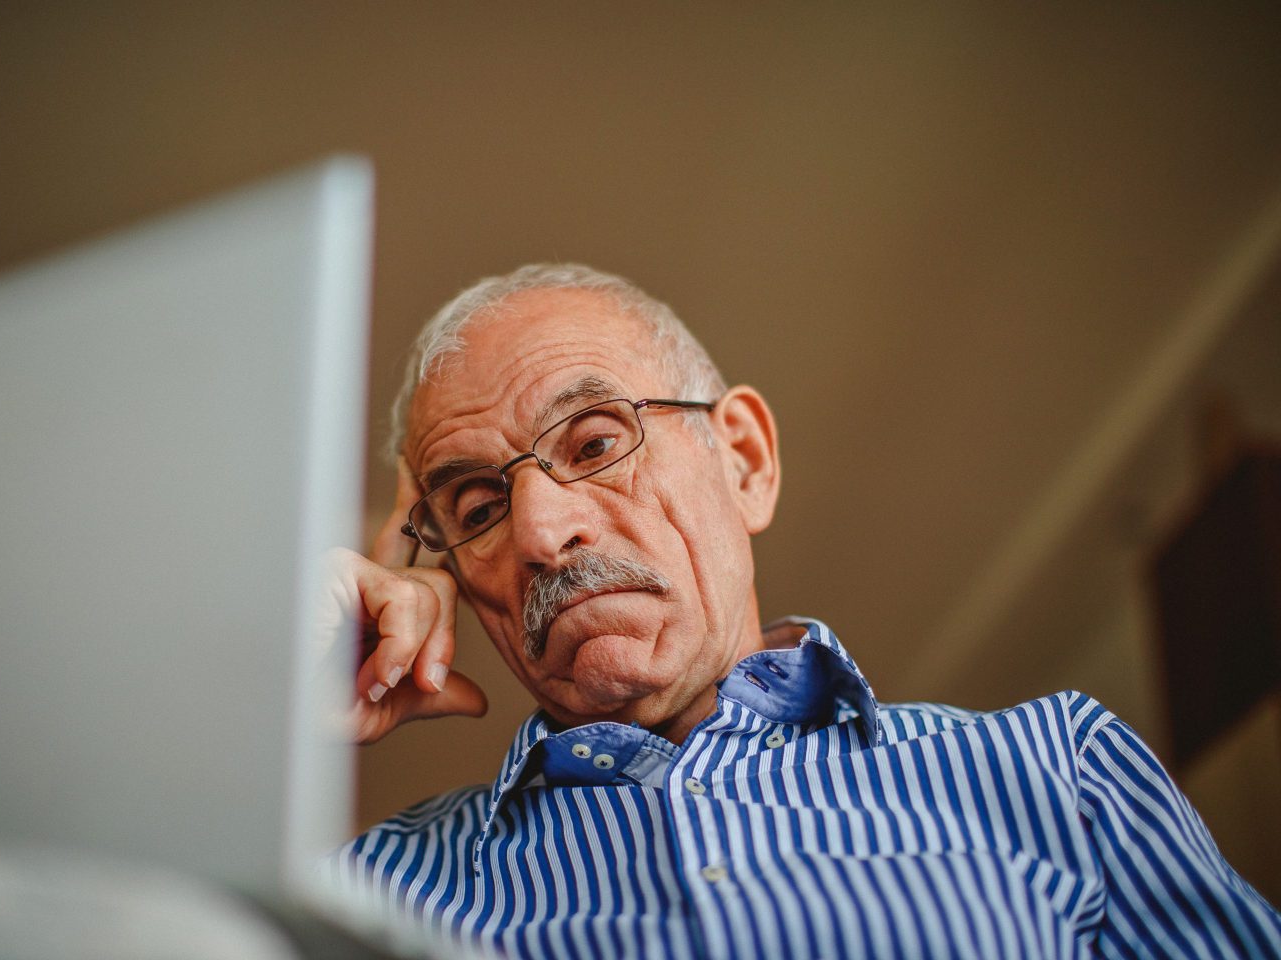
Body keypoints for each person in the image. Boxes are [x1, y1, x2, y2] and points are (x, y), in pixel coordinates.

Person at [328, 263, 1281, 958]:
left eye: (594, 442)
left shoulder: (1057, 771)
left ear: (743, 460)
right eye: (478, 509)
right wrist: (264, 696)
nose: (540, 532)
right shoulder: (371, 897)